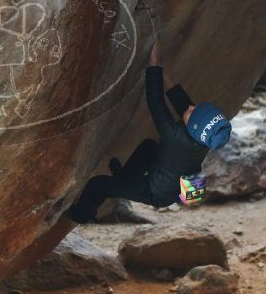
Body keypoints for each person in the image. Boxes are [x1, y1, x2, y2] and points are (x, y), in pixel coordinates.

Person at [67, 41, 232, 223]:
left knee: (97, 184)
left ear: (192, 125)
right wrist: (162, 71)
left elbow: (155, 103)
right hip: (169, 179)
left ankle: (81, 216)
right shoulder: (202, 136)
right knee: (148, 146)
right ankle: (125, 178)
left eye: (192, 111)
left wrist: (153, 66)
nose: (191, 107)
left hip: (155, 192)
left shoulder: (175, 137)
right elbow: (180, 98)